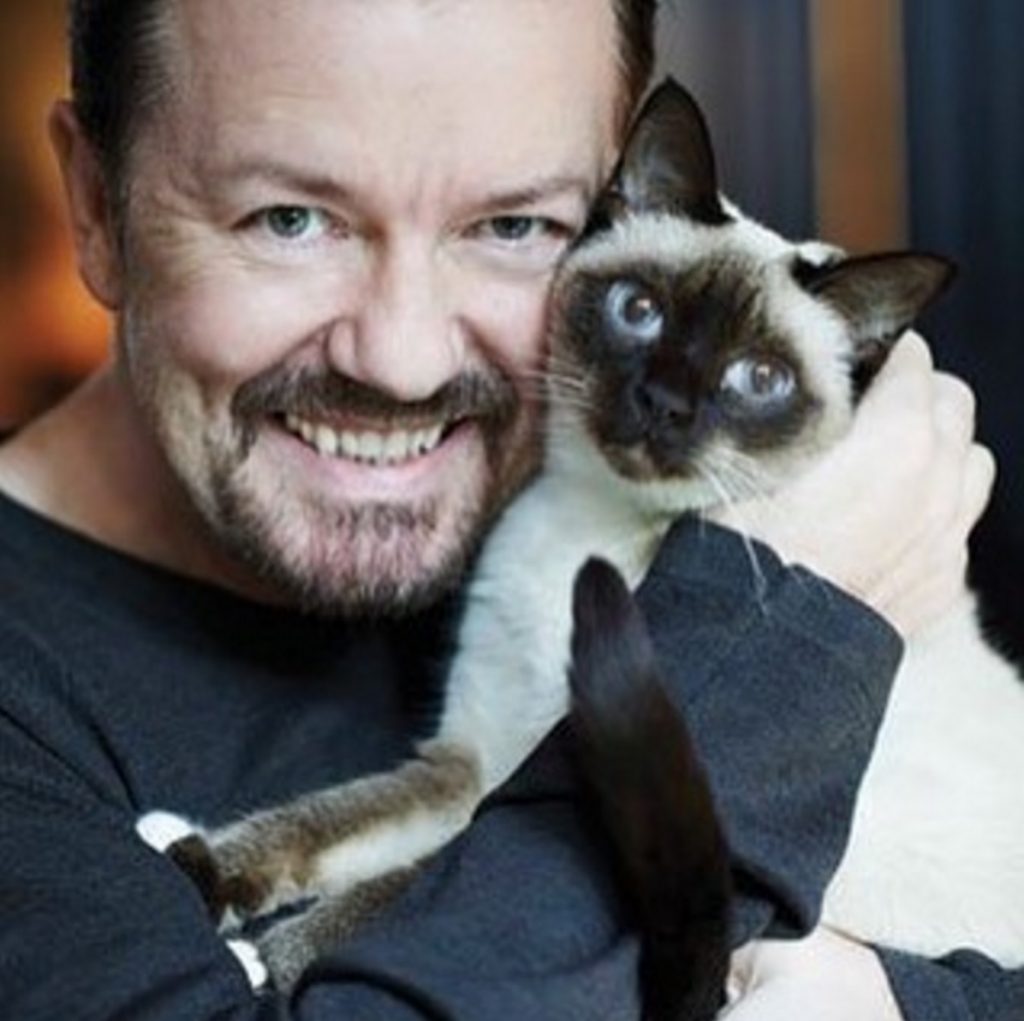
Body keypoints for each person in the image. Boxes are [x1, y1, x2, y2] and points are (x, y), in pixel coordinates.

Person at [0, 1, 1011, 1018]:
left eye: (513, 226)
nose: (403, 361)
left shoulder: (584, 499)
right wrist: (791, 641)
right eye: (291, 219)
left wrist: (902, 998)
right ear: (95, 207)